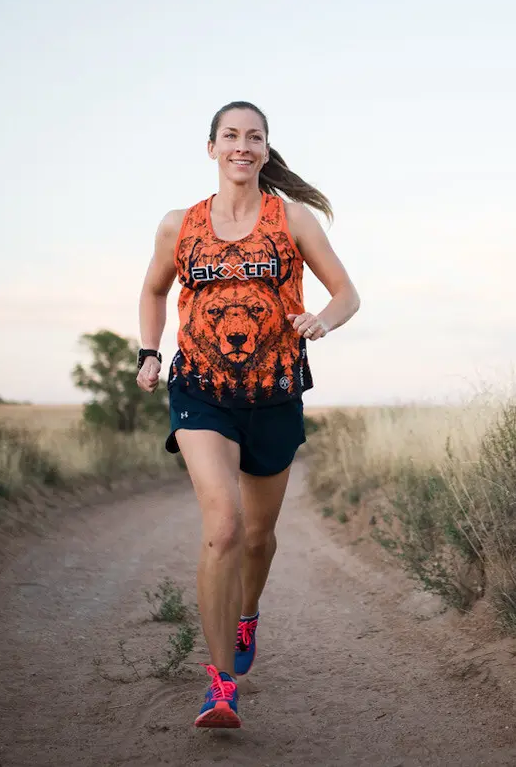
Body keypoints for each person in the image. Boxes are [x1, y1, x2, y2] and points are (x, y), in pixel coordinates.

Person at [136, 101, 360, 728]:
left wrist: (323, 319)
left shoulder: (293, 220)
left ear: (265, 149)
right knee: (226, 526)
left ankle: (247, 614)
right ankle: (219, 685)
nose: (242, 145)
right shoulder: (179, 225)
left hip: (276, 392)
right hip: (200, 390)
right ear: (210, 148)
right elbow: (155, 289)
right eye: (230, 136)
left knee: (258, 538)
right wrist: (150, 351)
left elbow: (347, 293)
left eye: (253, 137)